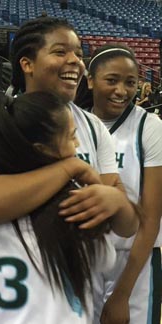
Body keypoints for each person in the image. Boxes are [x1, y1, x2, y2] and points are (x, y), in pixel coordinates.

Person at [0, 91, 137, 323]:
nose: (76, 144)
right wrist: (116, 199)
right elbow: (113, 249)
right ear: (42, 149)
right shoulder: (74, 209)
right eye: (72, 136)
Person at [0, 17, 138, 234]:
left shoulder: (93, 127)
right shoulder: (2, 118)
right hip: (10, 264)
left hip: (70, 265)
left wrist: (118, 203)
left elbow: (127, 228)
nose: (76, 60)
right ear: (27, 64)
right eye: (60, 52)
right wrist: (69, 168)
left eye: (79, 53)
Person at [86, 44, 162, 324]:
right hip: (84, 260)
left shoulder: (149, 127)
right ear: (90, 79)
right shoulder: (74, 123)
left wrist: (121, 295)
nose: (122, 90)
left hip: (134, 264)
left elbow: (151, 217)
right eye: (112, 80)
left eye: (130, 82)